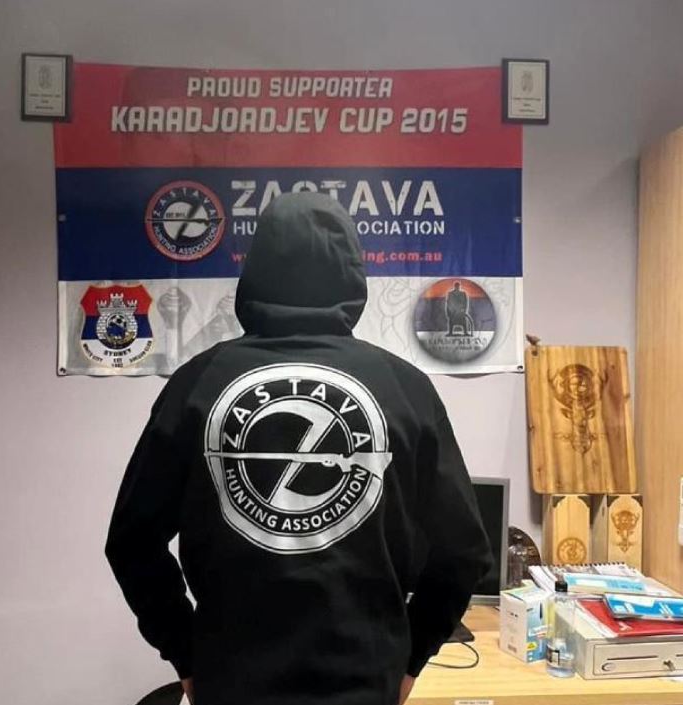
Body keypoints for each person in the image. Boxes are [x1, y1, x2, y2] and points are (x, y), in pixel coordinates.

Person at [105, 193, 493, 705]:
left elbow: (132, 541)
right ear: (352, 275)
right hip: (364, 681)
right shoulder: (405, 388)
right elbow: (464, 553)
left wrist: (186, 653)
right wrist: (410, 659)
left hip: (231, 682)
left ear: (256, 272)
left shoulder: (197, 383)